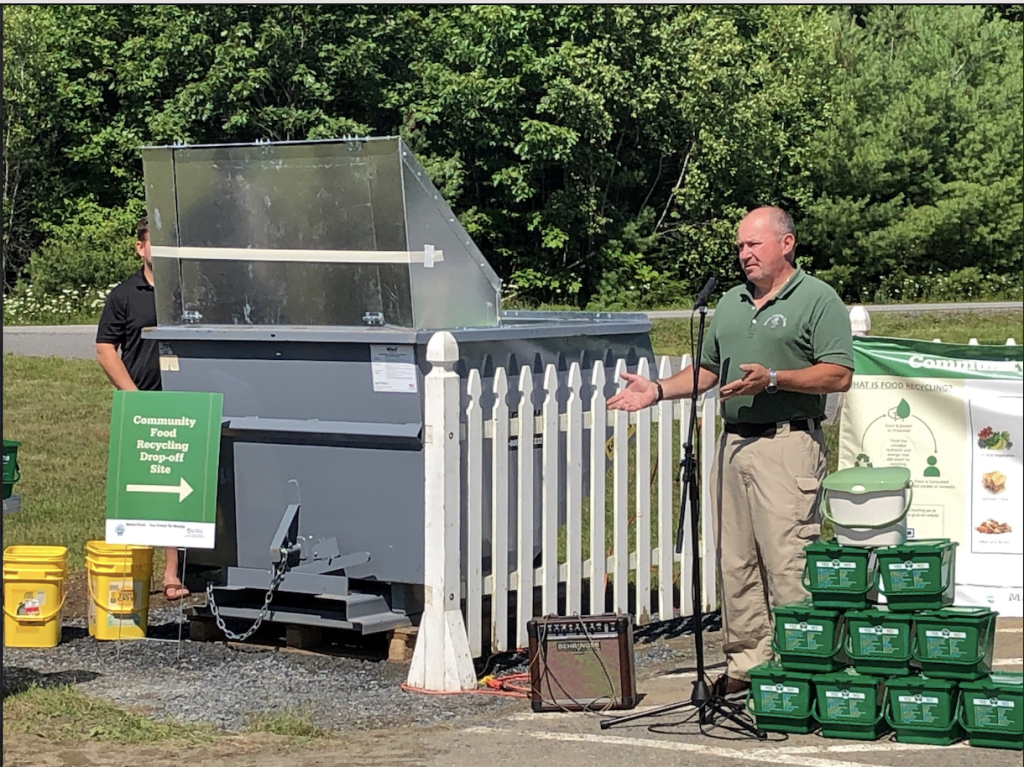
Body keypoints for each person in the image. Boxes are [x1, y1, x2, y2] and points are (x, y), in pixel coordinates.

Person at [608, 206, 853, 698]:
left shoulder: (817, 299)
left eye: (754, 244)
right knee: (735, 563)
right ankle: (747, 664)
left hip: (788, 444)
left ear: (787, 244)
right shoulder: (731, 303)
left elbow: (839, 373)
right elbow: (708, 371)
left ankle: (803, 664)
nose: (744, 255)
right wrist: (655, 390)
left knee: (789, 561)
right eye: (740, 246)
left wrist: (776, 379)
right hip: (734, 445)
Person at [96, 216, 190, 601]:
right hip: (142, 400)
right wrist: (131, 395)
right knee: (143, 491)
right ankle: (131, 575)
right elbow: (105, 349)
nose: (159, 251)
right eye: (153, 243)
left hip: (185, 401)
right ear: (140, 248)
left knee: (181, 491)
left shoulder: (186, 292)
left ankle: (173, 574)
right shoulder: (124, 295)